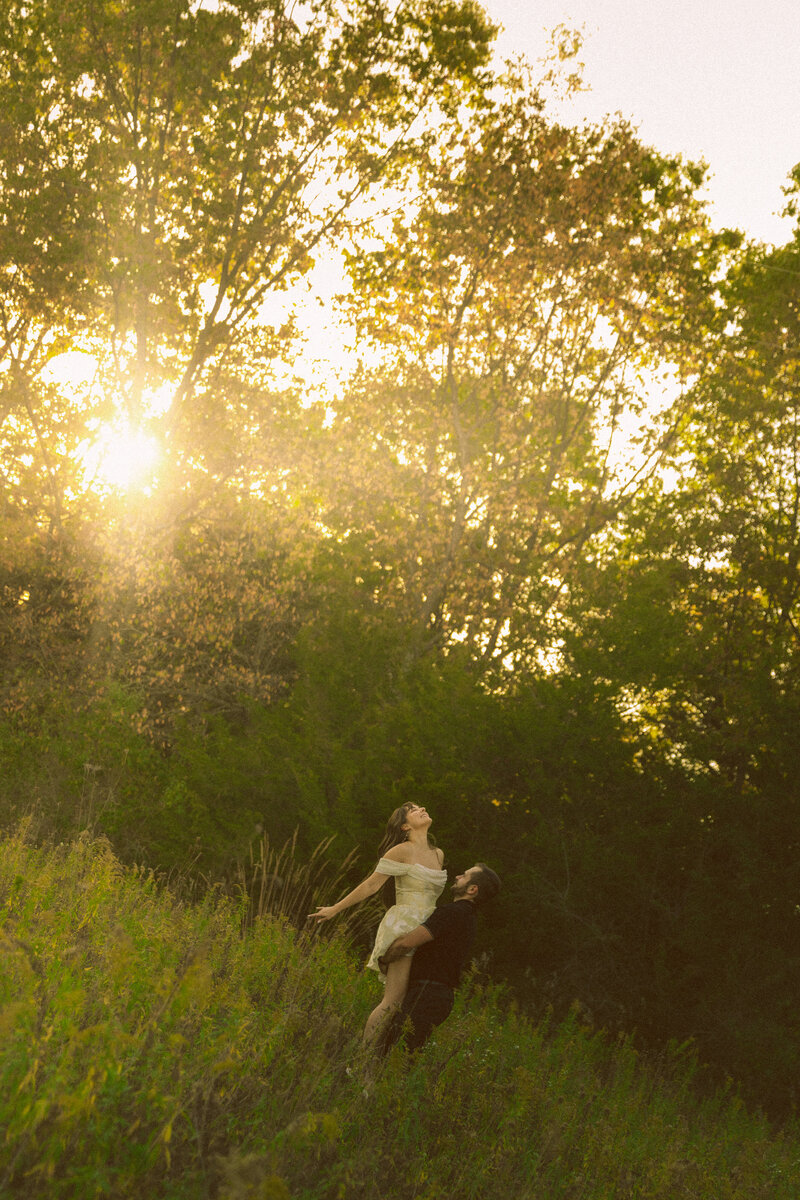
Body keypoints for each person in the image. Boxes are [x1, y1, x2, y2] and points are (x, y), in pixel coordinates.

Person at [309, 803, 447, 1047]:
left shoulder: (438, 854)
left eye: (420, 806)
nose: (422, 808)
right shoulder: (400, 851)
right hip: (405, 926)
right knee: (393, 1001)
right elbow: (371, 885)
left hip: (429, 930)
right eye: (413, 809)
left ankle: (393, 1055)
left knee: (415, 999)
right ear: (405, 825)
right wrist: (335, 909)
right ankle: (363, 1058)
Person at [377, 862, 501, 1053]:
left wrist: (384, 960)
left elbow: (407, 943)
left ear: (472, 889)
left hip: (428, 993)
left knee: (393, 1052)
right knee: (399, 1053)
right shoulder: (468, 917)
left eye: (464, 875)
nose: (458, 876)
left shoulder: (452, 912)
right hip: (438, 997)